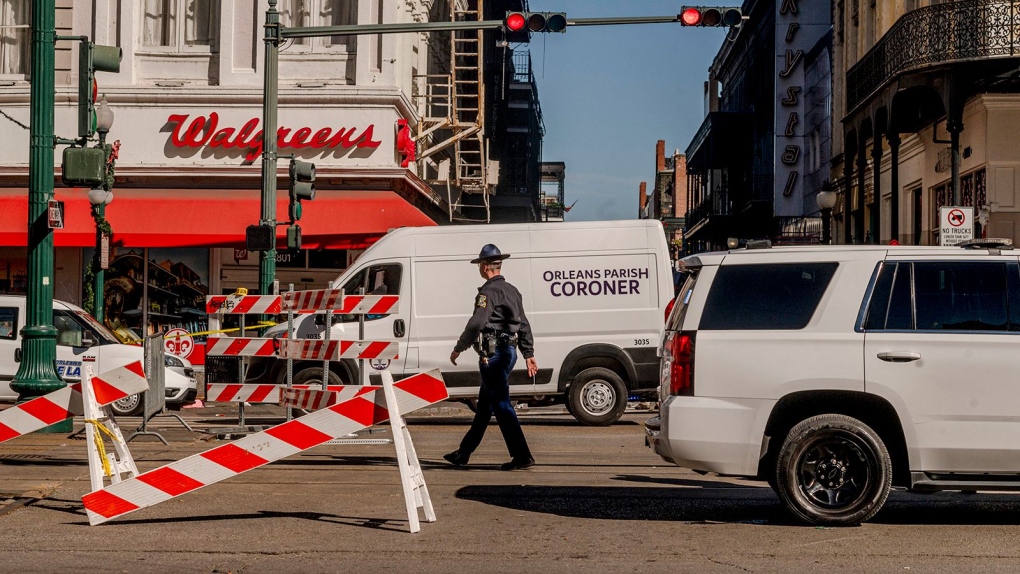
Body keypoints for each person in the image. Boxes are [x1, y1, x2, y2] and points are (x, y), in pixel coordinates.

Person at [444, 244, 538, 471]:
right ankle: (463, 453)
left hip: (493, 355)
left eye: (479, 265)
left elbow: (477, 322)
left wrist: (459, 347)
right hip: (509, 352)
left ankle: (522, 455)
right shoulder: (513, 290)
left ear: (485, 267)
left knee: (502, 405)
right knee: (485, 406)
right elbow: (523, 323)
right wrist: (528, 353)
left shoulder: (487, 293)